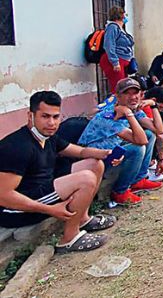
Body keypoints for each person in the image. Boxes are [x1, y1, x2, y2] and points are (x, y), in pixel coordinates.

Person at [0, 92, 121, 253]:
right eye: (45, 116)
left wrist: (105, 153)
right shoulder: (17, 147)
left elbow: (79, 152)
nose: (51, 123)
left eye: (56, 117)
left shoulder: (47, 136)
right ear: (31, 116)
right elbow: (4, 196)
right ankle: (69, 239)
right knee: (86, 179)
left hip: (42, 190)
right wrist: (50, 210)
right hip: (15, 211)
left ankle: (83, 219)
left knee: (94, 164)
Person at [79, 78, 163, 206]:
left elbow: (158, 131)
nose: (133, 97)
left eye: (136, 93)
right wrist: (129, 114)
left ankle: (138, 180)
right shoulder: (109, 114)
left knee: (150, 134)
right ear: (117, 96)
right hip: (96, 157)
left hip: (112, 148)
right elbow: (141, 141)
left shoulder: (131, 109)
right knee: (138, 148)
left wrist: (153, 105)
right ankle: (120, 192)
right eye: (127, 93)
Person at [99, 6, 135, 93]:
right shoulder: (112, 27)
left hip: (122, 61)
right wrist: (115, 62)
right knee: (119, 88)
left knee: (123, 87)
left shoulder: (120, 28)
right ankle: (115, 105)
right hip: (116, 61)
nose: (126, 17)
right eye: (124, 14)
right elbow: (109, 45)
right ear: (121, 15)